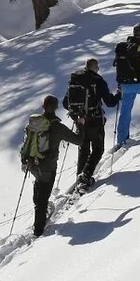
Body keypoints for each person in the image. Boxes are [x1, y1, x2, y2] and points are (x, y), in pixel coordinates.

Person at [21, 95, 84, 237]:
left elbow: (27, 142)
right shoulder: (57, 127)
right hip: (48, 167)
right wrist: (80, 124)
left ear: (43, 107)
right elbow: (79, 141)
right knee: (42, 199)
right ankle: (38, 230)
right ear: (56, 108)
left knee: (39, 191)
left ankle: (40, 213)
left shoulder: (35, 122)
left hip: (33, 165)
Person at [64, 58, 120, 191]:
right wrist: (119, 94)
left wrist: (79, 114)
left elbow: (65, 103)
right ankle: (85, 176)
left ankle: (80, 177)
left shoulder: (75, 79)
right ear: (95, 67)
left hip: (80, 122)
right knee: (98, 149)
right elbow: (110, 102)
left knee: (83, 149)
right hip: (95, 120)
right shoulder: (98, 80)